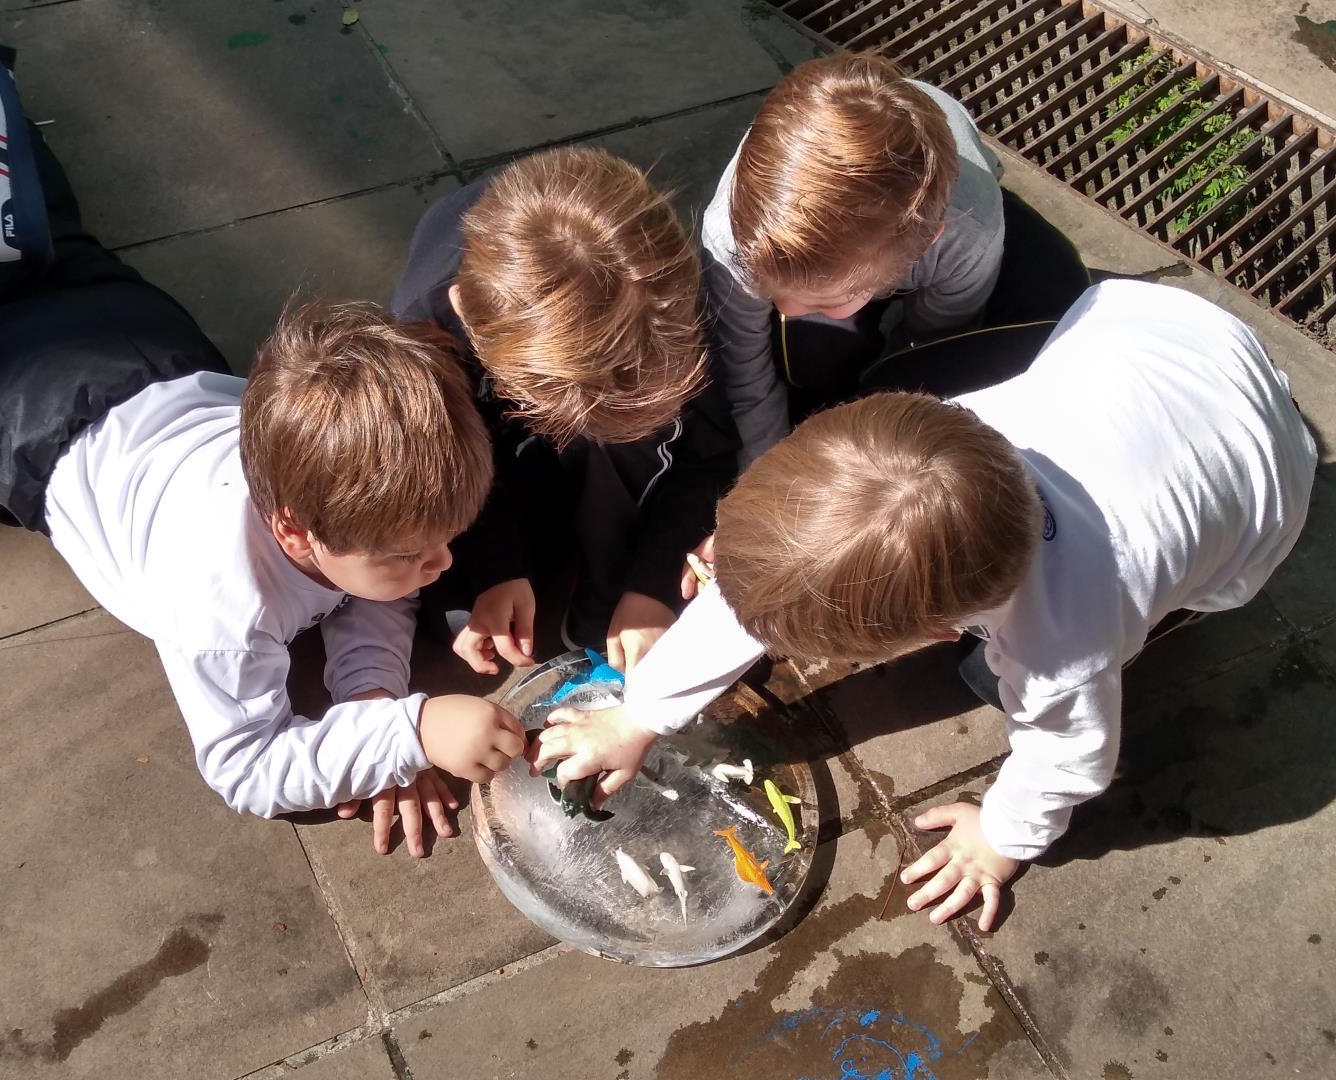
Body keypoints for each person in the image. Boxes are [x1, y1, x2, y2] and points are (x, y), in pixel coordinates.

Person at [528, 280, 1317, 930]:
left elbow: (1071, 758)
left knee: (1156, 608)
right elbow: (775, 576)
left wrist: (1001, 840)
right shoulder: (929, 449)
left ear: (945, 632)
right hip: (1164, 332)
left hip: (1264, 477)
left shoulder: (1066, 645)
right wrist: (643, 713)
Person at [0, 44, 525, 856]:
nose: (440, 566)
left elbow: (373, 590)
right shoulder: (223, 609)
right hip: (19, 412)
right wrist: (409, 729)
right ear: (298, 534)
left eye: (441, 540)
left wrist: (371, 709)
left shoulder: (342, 495)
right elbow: (246, 766)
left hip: (145, 344)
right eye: (412, 552)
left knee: (52, 260)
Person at [391, 147, 739, 675]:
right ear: (463, 307)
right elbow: (453, 461)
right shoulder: (422, 341)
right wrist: (497, 567)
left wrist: (653, 584)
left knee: (635, 451)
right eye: (543, 398)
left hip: (534, 383)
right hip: (483, 431)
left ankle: (605, 588)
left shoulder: (655, 312)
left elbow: (704, 455)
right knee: (452, 602)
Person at [702, 50, 1089, 469]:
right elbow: (743, 375)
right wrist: (765, 470)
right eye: (771, 288)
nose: (786, 308)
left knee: (1062, 292)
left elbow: (932, 344)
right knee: (806, 355)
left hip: (951, 204)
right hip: (896, 222)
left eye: (825, 300)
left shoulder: (969, 234)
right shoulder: (731, 240)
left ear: (921, 249)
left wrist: (889, 398)